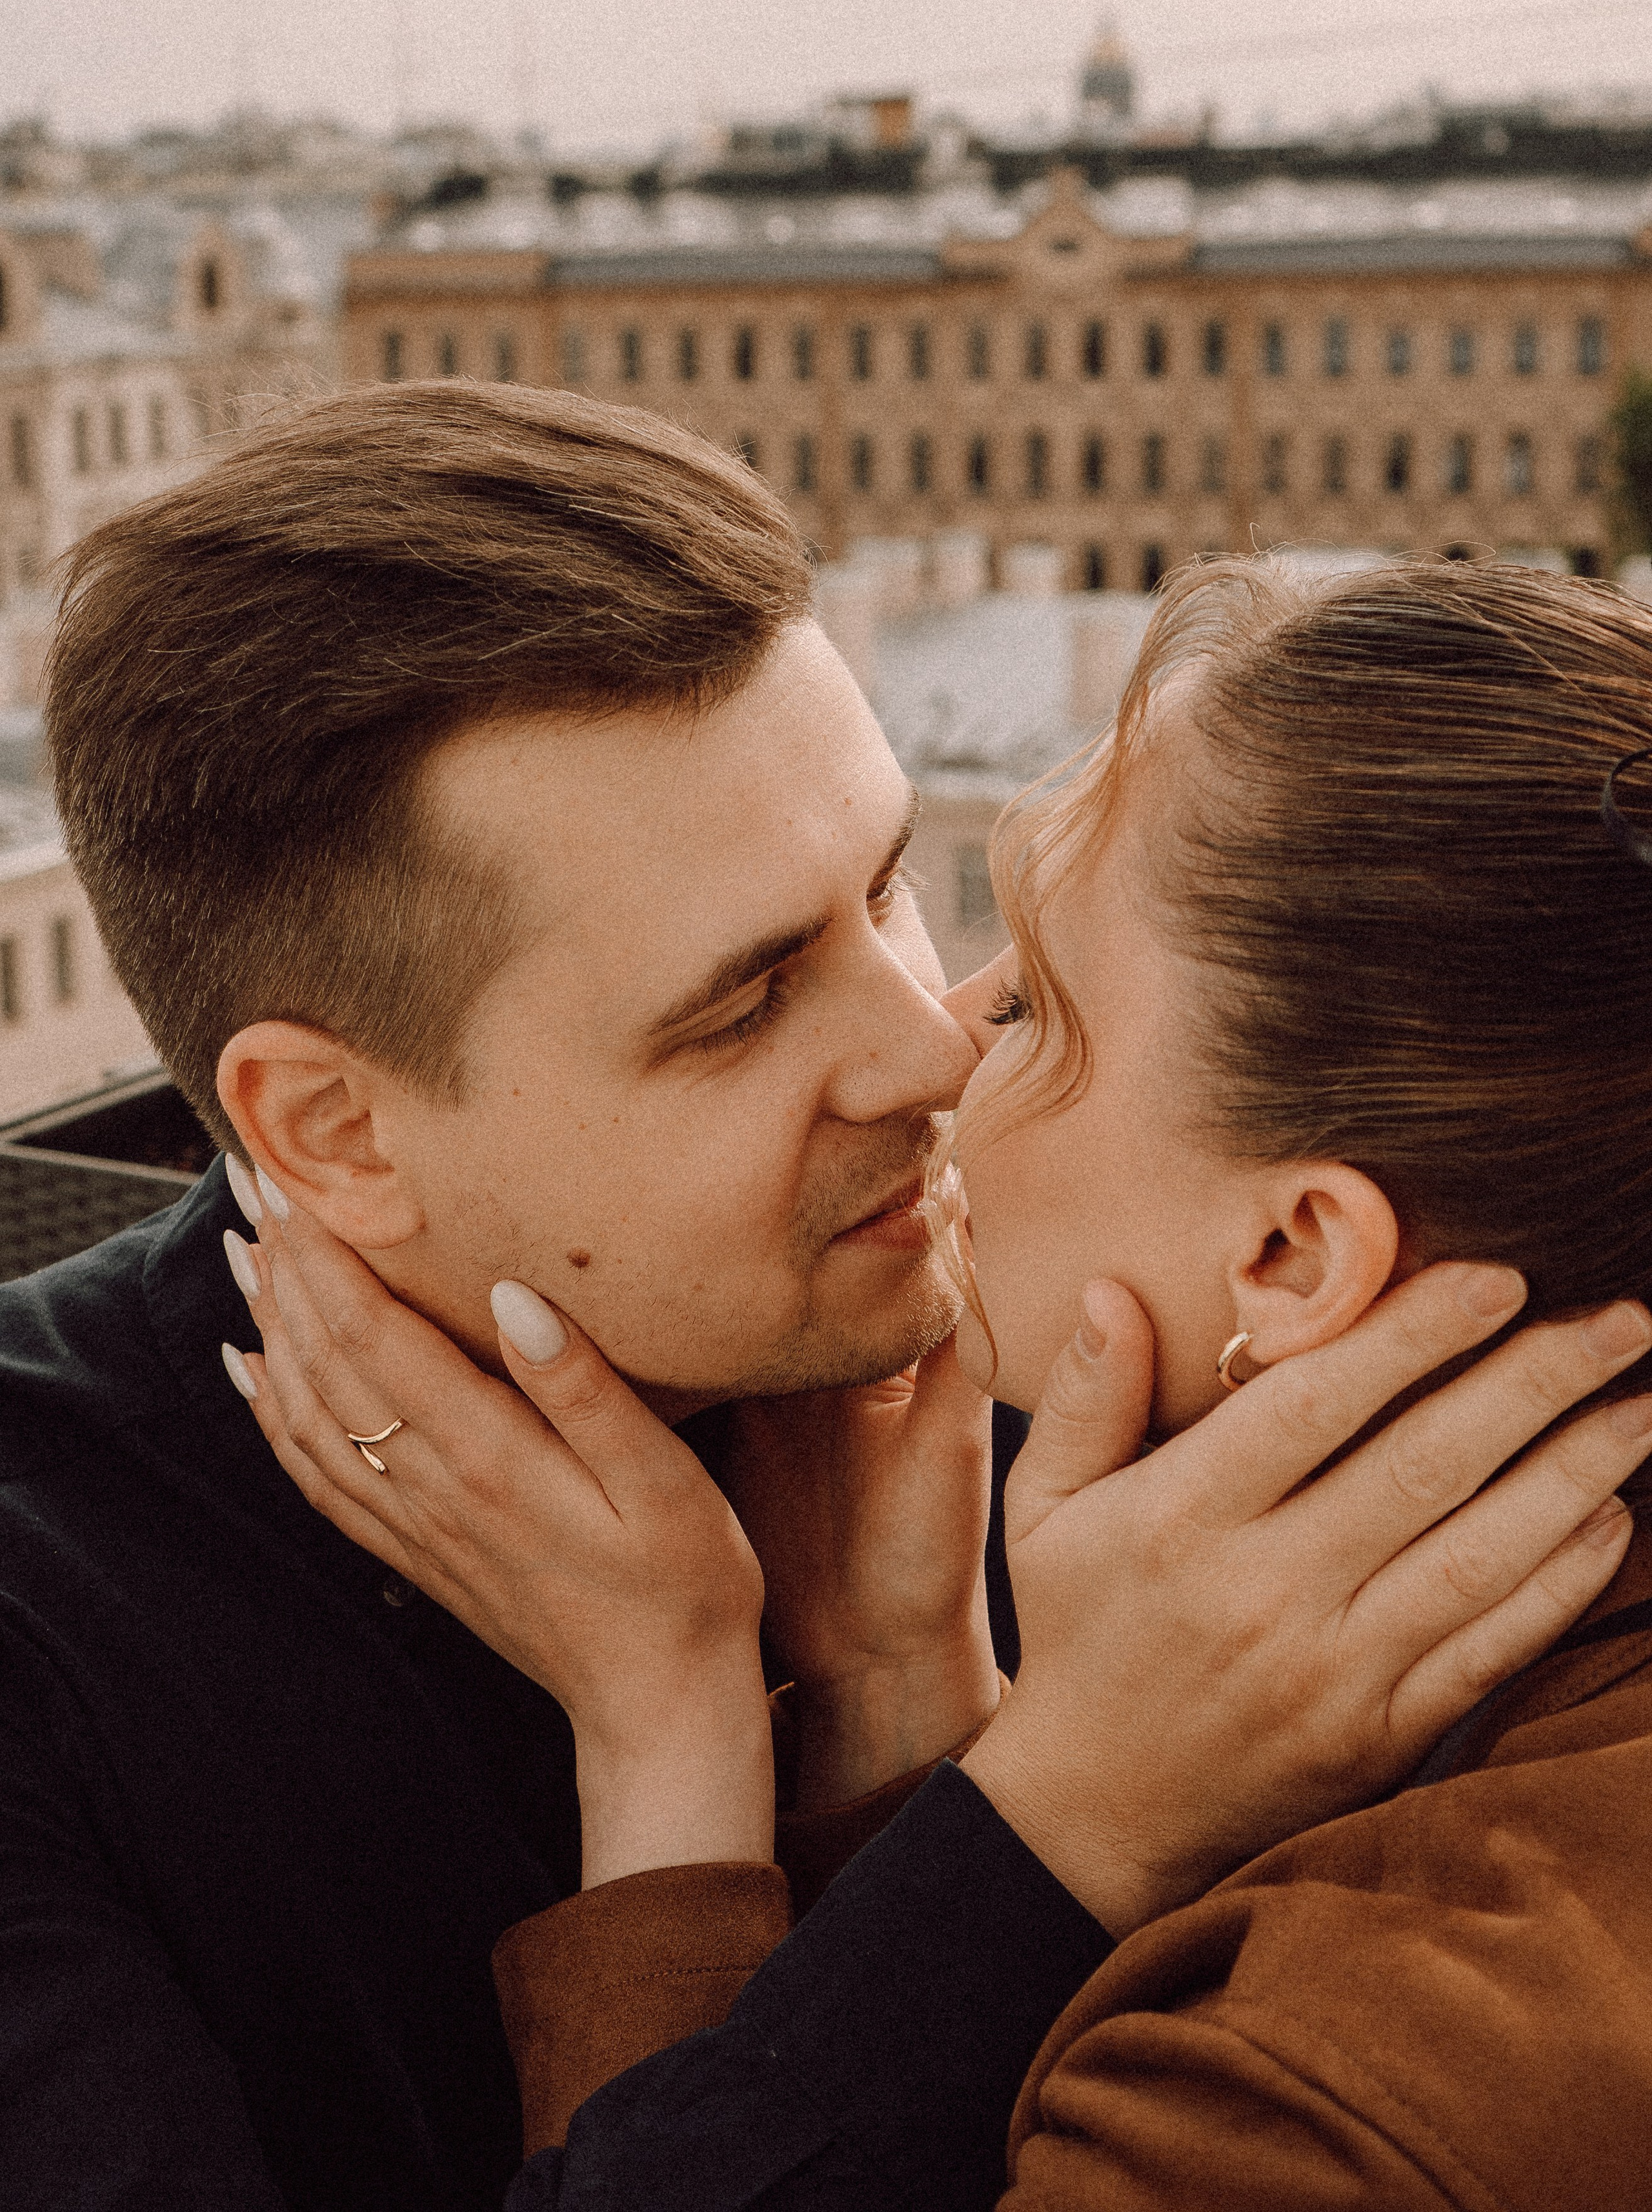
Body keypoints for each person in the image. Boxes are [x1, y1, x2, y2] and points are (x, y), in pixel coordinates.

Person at [225, 507, 1652, 2201]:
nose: (933, 1039)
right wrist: (914, 1705)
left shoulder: (1314, 2109)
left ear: (1292, 1255)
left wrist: (674, 1724)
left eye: (1039, 1000)